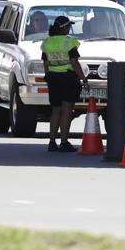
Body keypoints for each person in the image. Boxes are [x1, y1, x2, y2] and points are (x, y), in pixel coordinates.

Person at [40, 16, 89, 152]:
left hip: (53, 79)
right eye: (68, 26)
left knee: (56, 110)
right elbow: (74, 63)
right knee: (67, 111)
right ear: (64, 28)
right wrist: (84, 79)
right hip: (68, 79)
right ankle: (64, 142)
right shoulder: (69, 42)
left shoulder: (47, 42)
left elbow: (45, 63)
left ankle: (51, 141)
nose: (69, 29)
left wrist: (48, 76)